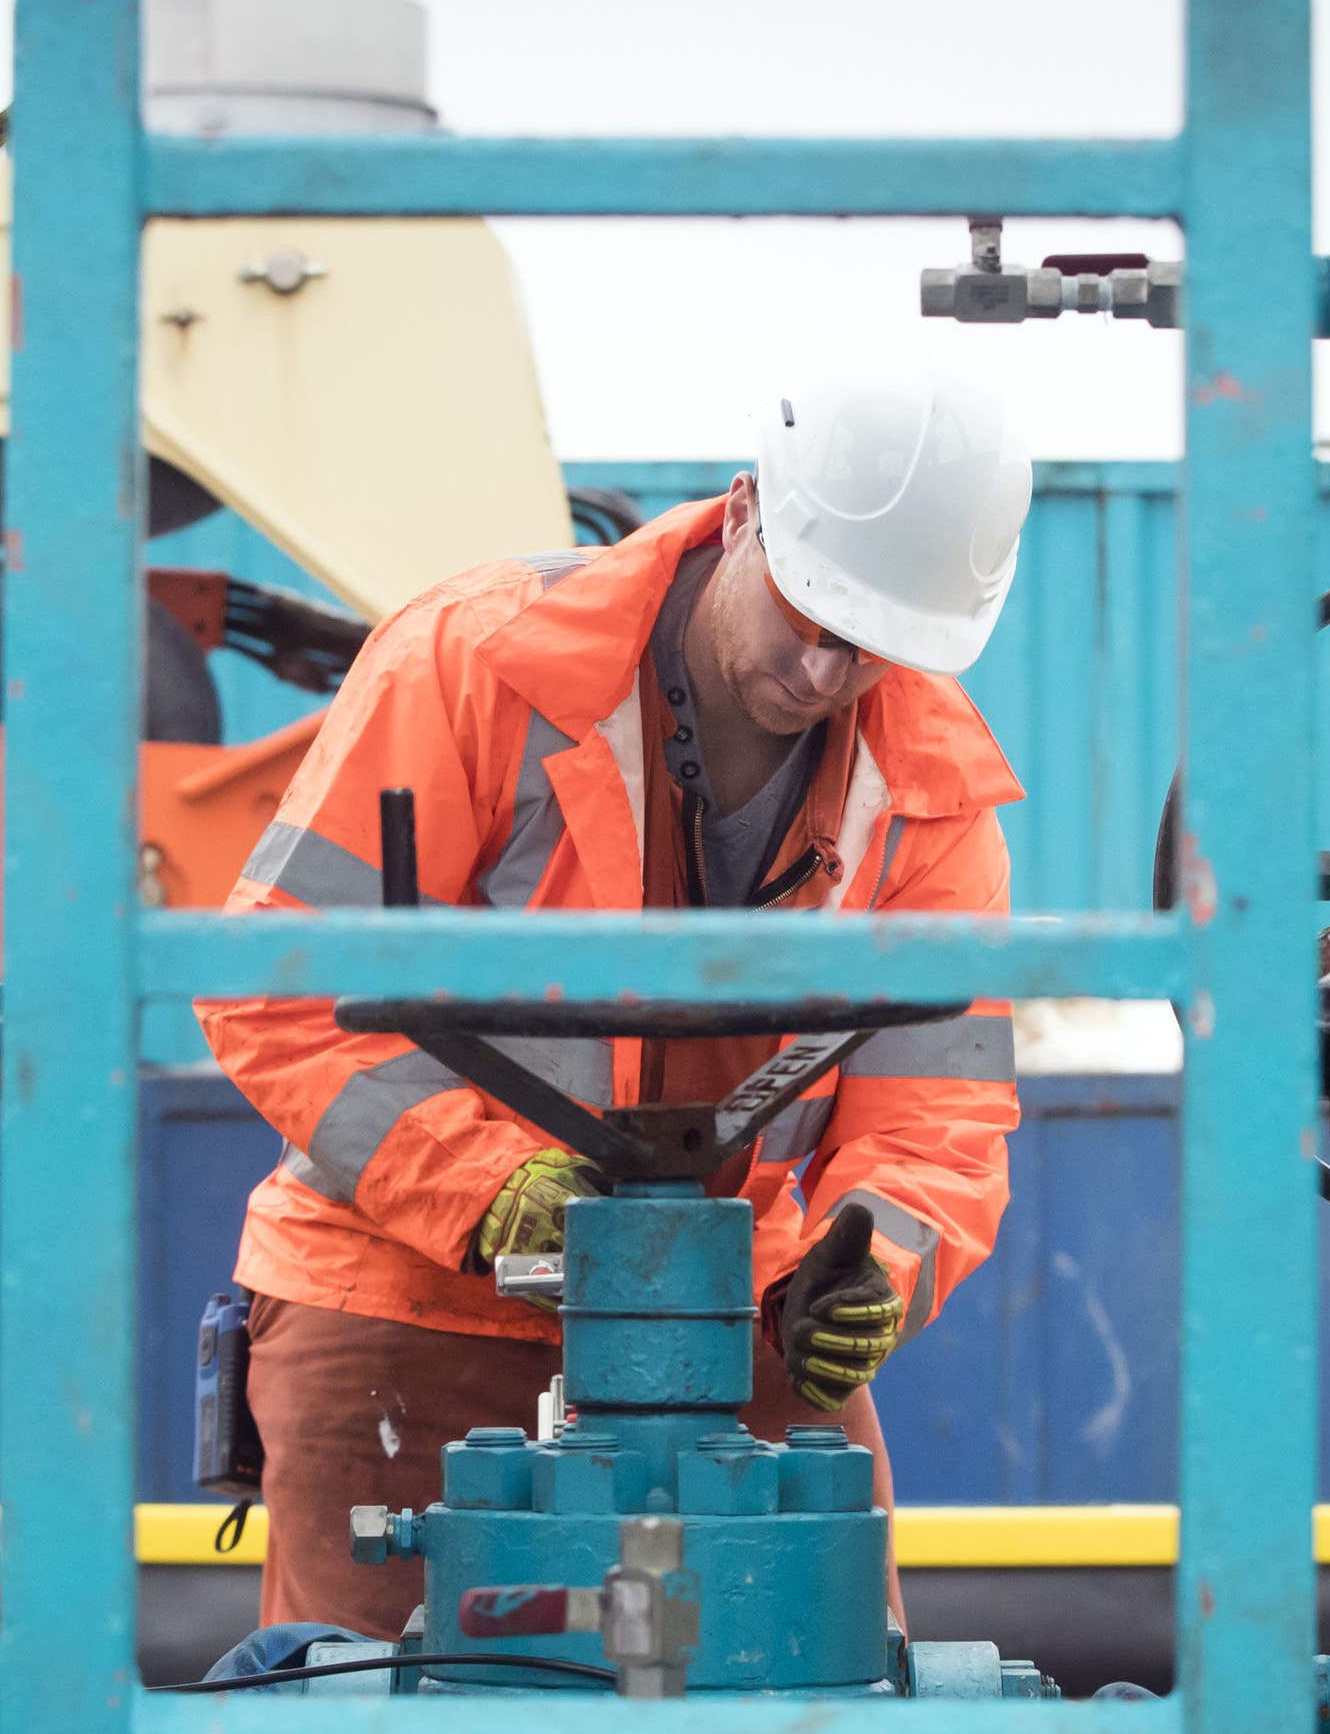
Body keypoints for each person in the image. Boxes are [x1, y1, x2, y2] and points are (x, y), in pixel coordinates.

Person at [201, 354, 1034, 1641]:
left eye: (873, 649)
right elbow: (279, 989)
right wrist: (481, 1190)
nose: (826, 674)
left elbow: (938, 1119)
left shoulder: (934, 795)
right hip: (407, 1294)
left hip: (726, 1307)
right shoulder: (477, 664)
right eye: (813, 617)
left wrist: (869, 1267)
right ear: (746, 509)